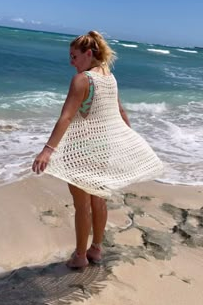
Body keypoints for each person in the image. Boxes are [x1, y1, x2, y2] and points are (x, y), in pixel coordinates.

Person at [32, 31, 163, 268]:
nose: (71, 61)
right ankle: (96, 249)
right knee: (99, 200)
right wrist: (128, 136)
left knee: (82, 205)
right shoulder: (109, 78)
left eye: (74, 56)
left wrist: (48, 150)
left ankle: (80, 256)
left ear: (88, 54)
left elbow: (67, 117)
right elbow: (120, 111)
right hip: (103, 149)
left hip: (82, 151)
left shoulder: (82, 80)